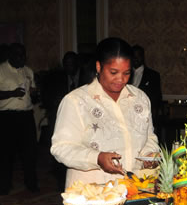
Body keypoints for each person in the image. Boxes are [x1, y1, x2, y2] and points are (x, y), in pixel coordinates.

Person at [51, 37, 160, 188]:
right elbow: (61, 148)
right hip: (92, 190)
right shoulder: (76, 101)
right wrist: (96, 158)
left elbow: (149, 137)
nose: (120, 79)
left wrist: (149, 154)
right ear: (98, 66)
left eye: (127, 73)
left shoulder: (140, 98)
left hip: (134, 187)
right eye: (113, 72)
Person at [0, 43, 39, 194]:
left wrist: (34, 94)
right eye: (18, 55)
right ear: (10, 55)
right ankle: (4, 185)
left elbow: (33, 95)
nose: (22, 58)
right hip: (6, 117)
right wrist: (12, 93)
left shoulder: (28, 71)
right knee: (6, 153)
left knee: (29, 152)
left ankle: (31, 184)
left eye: (23, 55)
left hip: (26, 116)